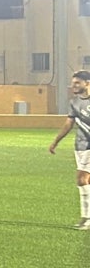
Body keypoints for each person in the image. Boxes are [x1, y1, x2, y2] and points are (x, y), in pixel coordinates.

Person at [47, 69, 90, 229]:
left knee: (81, 179)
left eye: (77, 83)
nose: (74, 86)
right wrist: (56, 141)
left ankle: (86, 218)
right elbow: (68, 124)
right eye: (73, 83)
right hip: (80, 146)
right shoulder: (74, 102)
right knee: (87, 181)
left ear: (87, 83)